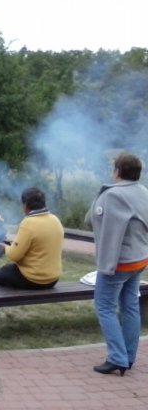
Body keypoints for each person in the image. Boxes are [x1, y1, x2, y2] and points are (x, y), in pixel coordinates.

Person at [87, 153, 148, 376]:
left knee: (104, 306)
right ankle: (129, 356)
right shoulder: (144, 192)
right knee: (130, 306)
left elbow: (94, 220)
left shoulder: (112, 195)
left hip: (118, 263)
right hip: (140, 259)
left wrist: (100, 194)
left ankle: (117, 358)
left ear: (117, 172)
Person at [0, 187, 63, 322]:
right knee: (5, 273)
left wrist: (6, 248)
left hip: (33, 278)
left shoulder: (28, 223)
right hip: (52, 278)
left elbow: (14, 256)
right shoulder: (55, 220)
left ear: (25, 205)